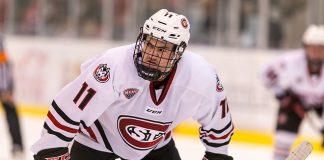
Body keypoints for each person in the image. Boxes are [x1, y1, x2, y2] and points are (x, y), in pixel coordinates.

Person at [31, 9, 234, 160]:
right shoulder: (114, 64)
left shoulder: (200, 76)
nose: (152, 54)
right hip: (96, 142)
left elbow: (219, 123)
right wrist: (51, 149)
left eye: (162, 49)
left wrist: (217, 155)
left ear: (178, 53)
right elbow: (69, 108)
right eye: (149, 43)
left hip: (156, 147)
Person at [261, 24, 324, 160]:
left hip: (321, 102)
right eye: (313, 47)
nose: (316, 52)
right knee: (283, 140)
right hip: (295, 102)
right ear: (305, 47)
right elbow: (265, 74)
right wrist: (281, 93)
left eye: (320, 48)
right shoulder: (290, 62)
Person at [0, 34, 24, 158]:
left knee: (11, 112)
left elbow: (2, 63)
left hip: (2, 84)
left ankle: (17, 144)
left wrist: (5, 89)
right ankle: (17, 144)